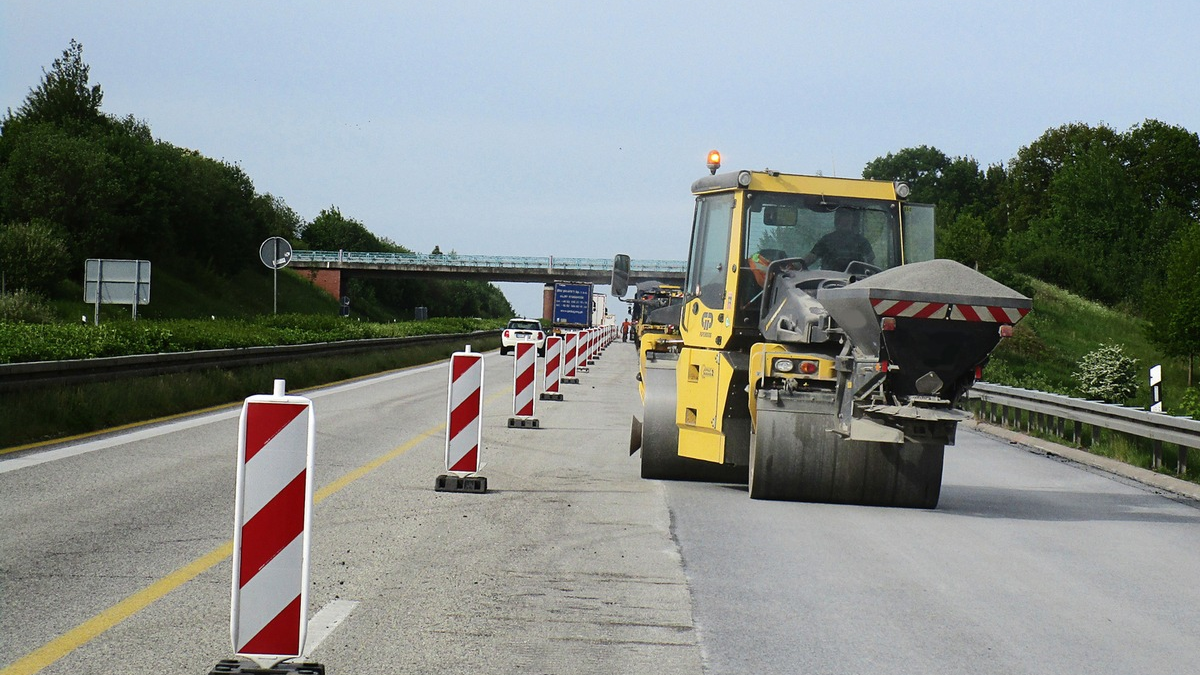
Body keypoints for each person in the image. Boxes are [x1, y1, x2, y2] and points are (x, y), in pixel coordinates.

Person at [803, 209, 874, 272]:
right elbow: (811, 258)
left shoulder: (862, 241)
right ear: (836, 221)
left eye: (847, 221)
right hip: (828, 282)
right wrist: (794, 267)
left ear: (852, 222)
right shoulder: (826, 240)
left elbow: (871, 264)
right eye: (842, 220)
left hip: (857, 282)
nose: (845, 223)